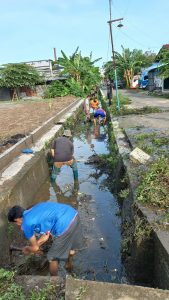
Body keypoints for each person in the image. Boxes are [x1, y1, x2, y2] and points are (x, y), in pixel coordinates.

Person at [7, 202, 83, 276]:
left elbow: (35, 248)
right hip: (73, 214)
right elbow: (46, 235)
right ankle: (69, 265)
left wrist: (27, 249)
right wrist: (37, 244)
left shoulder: (26, 223)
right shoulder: (35, 208)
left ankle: (55, 282)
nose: (18, 225)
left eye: (16, 223)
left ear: (17, 219)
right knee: (71, 248)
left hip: (64, 225)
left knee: (52, 258)